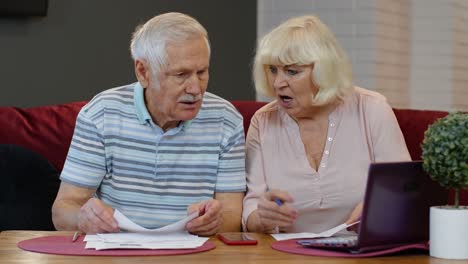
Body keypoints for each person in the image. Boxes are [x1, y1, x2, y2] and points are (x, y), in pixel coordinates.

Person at [52, 12, 246, 236]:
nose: (196, 89)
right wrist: (83, 218)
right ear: (143, 72)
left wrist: (215, 221)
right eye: (181, 74)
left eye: (202, 72)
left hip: (193, 254)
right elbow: (63, 211)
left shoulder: (226, 120)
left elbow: (232, 216)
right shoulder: (101, 114)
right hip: (117, 253)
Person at [242, 15, 411, 233]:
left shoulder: (371, 108)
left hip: (360, 251)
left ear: (324, 70)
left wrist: (378, 208)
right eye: (273, 70)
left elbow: (403, 189)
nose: (277, 83)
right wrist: (262, 217)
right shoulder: (263, 121)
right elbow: (250, 211)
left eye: (292, 71)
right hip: (288, 254)